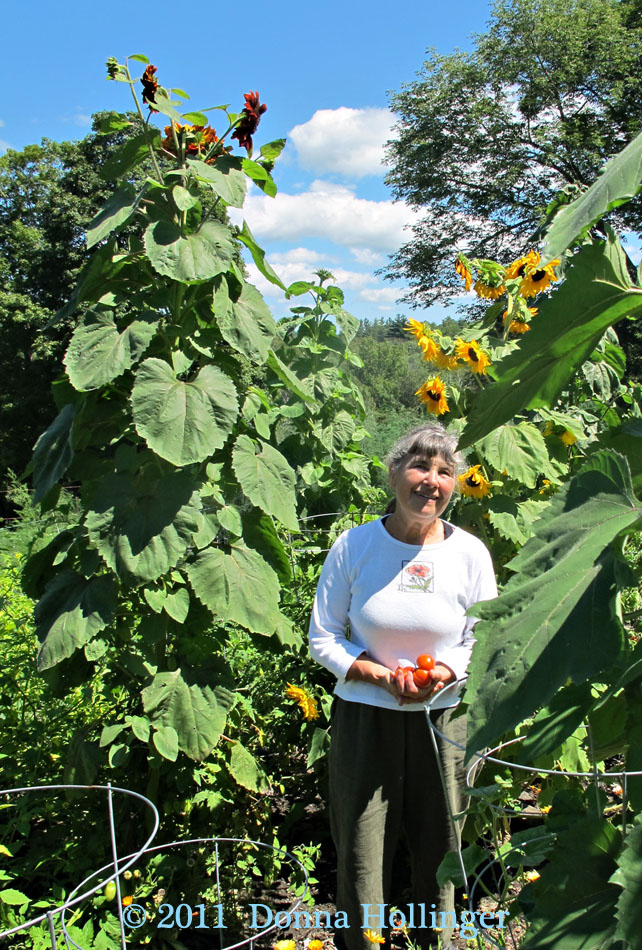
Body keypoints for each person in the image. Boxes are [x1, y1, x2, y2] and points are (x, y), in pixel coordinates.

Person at [308, 423, 497, 950]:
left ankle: (434, 942)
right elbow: (322, 636)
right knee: (363, 848)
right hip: (366, 720)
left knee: (443, 847)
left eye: (444, 471)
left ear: (455, 483)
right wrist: (375, 674)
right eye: (419, 466)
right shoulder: (355, 546)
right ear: (393, 473)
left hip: (446, 722)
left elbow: (483, 635)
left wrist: (444, 672)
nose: (431, 481)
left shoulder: (470, 554)